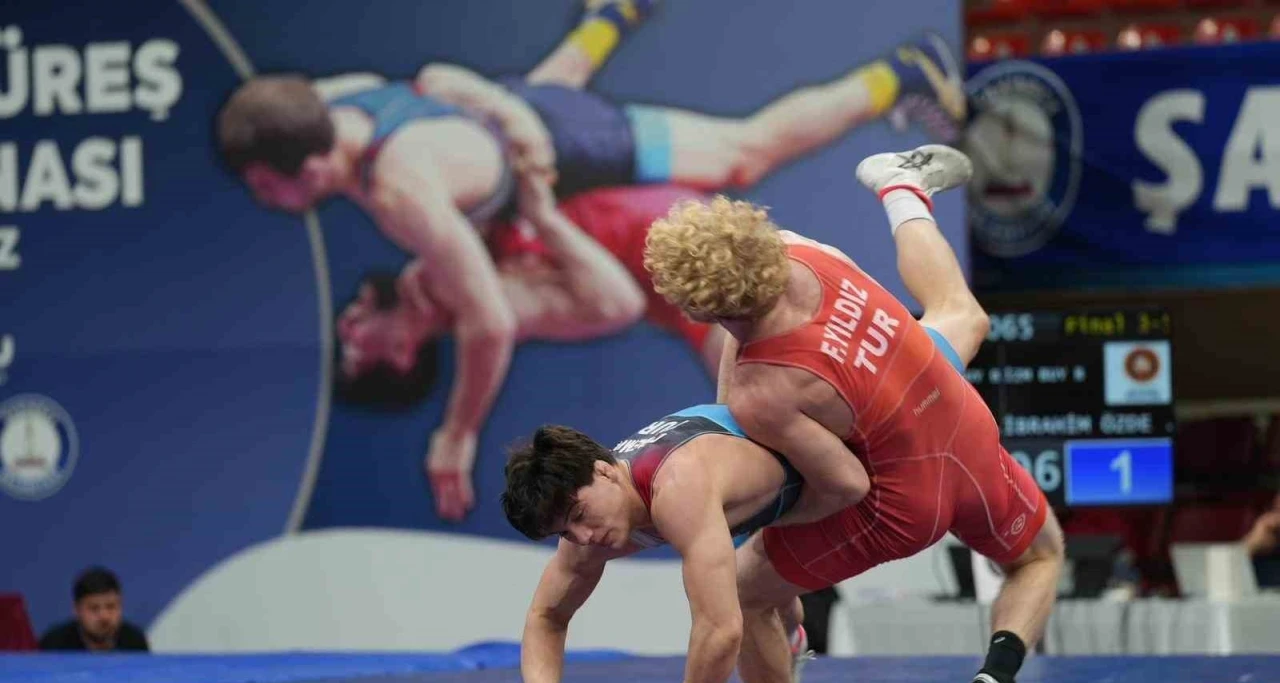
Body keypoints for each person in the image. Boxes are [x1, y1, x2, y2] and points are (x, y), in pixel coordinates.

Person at [215, 10, 966, 520]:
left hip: (575, 148)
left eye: (264, 187)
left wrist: (457, 435)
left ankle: (902, 72)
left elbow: (490, 322)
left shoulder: (399, 195)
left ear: (307, 167)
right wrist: (492, 107)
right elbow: (438, 83)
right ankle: (608, 19)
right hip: (537, 133)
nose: (266, 202)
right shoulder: (331, 103)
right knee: (543, 108)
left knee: (744, 153)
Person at [643, 144, 1064, 683]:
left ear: (702, 309)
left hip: (907, 499)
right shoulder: (802, 252)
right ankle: (997, 677)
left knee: (745, 592)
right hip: (960, 418)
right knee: (1038, 550)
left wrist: (770, 536)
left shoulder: (762, 391)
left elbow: (845, 485)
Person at [335, 176, 725, 517]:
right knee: (747, 404)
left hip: (653, 212)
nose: (344, 324)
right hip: (667, 248)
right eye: (350, 351)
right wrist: (543, 218)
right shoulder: (493, 307)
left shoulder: (428, 242)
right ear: (401, 356)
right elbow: (620, 305)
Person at [501, 406, 819, 683]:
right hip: (747, 500)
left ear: (604, 471)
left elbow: (721, 629)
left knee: (741, 600)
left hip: (815, 480)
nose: (583, 536)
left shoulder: (677, 487)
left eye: (580, 515)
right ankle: (788, 647)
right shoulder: (595, 519)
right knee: (758, 597)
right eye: (564, 532)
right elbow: (547, 616)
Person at [38, 567, 150, 652]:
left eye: (111, 607)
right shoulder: (55, 645)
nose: (104, 616)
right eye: (94, 608)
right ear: (76, 610)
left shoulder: (134, 642)